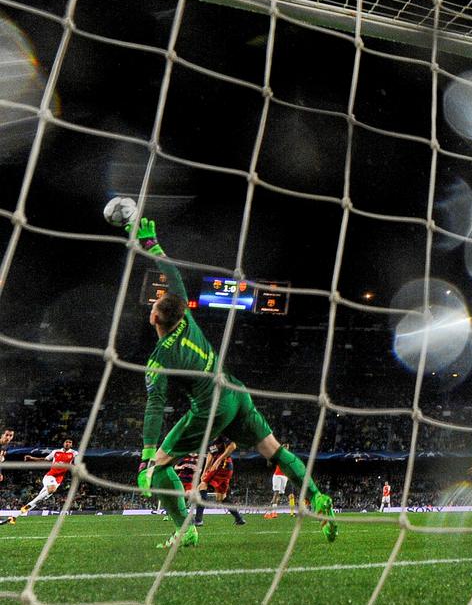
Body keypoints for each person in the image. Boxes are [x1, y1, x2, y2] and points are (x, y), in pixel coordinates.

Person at [128, 217, 336, 548]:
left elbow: (155, 405)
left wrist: (146, 457)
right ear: (179, 312)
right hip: (235, 392)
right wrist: (152, 244)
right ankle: (317, 496)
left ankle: (186, 529)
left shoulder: (159, 358)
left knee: (161, 468)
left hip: (209, 405)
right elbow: (175, 276)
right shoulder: (186, 318)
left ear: (154, 317)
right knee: (274, 449)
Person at [194, 435, 246, 526]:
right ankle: (239, 518)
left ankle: (198, 520)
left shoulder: (222, 436)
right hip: (225, 468)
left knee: (202, 486)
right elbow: (210, 456)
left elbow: (233, 446)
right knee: (221, 498)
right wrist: (205, 471)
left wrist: (218, 460)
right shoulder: (209, 441)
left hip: (223, 465)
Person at [21, 439, 78, 515]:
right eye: (66, 442)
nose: (67, 443)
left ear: (71, 445)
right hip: (50, 476)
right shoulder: (55, 452)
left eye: (70, 442)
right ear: (63, 443)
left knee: (41, 498)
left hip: (59, 480)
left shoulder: (74, 453)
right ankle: (27, 506)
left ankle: (19, 514)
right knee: (51, 489)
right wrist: (32, 458)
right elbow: (45, 459)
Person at [0, 429, 15, 525]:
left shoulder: (5, 447)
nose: (8, 437)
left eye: (11, 435)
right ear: (2, 435)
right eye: (7, 435)